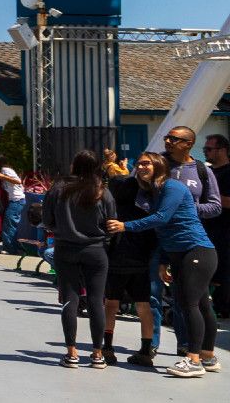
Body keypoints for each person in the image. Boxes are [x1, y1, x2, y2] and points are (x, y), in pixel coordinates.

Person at [109, 142, 220, 378]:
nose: (140, 167)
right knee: (201, 305)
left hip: (196, 250)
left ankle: (193, 360)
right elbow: (163, 231)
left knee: (189, 304)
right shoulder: (155, 192)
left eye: (146, 163)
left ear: (159, 166)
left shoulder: (172, 187)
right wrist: (162, 260)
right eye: (138, 164)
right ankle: (208, 356)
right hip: (180, 254)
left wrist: (124, 226)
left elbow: (161, 218)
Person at [45, 150, 118, 367]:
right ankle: (97, 353)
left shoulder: (58, 189)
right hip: (96, 250)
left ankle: (71, 352)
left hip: (66, 248)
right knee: (97, 300)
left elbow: (48, 221)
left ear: (74, 166)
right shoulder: (102, 192)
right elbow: (112, 223)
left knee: (70, 298)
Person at [162, 124, 225, 360]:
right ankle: (196, 351)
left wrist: (188, 209)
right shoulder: (159, 165)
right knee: (184, 300)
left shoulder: (201, 170)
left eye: (174, 139)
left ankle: (197, 355)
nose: (168, 142)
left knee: (195, 301)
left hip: (194, 241)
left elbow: (215, 206)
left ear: (188, 144)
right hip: (166, 242)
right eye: (167, 138)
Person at [108, 153, 166, 368]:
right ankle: (146, 349)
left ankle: (106, 348)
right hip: (143, 258)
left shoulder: (113, 210)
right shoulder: (149, 202)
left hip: (116, 257)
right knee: (145, 304)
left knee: (111, 303)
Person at [205, 135, 230, 319]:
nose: (206, 152)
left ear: (222, 150)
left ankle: (224, 308)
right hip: (207, 229)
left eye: (209, 149)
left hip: (225, 231)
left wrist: (210, 199)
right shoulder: (206, 172)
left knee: (224, 272)